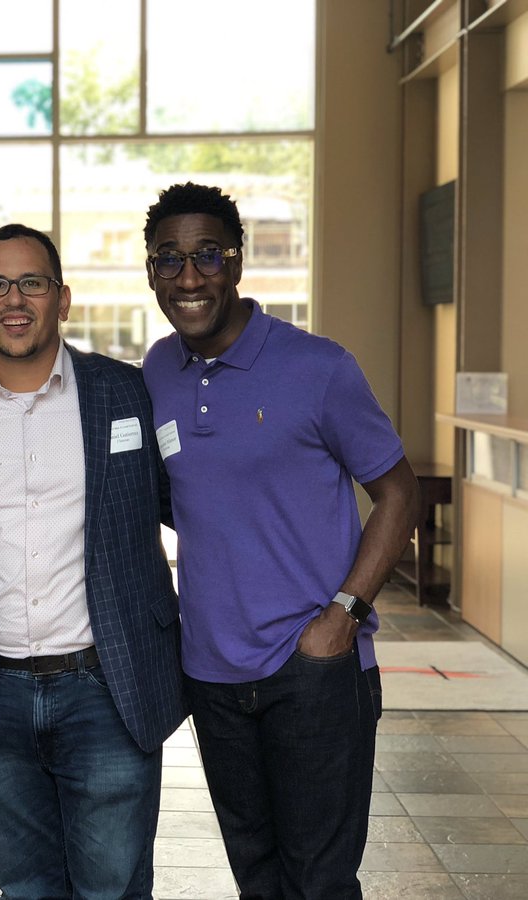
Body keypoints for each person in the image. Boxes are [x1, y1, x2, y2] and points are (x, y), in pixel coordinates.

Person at [140, 182, 421, 898]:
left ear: (237, 263)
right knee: (256, 876)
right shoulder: (156, 374)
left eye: (207, 255)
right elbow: (192, 501)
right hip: (210, 670)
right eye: (169, 260)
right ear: (151, 273)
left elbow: (399, 493)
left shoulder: (317, 367)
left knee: (319, 881)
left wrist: (342, 617)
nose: (190, 276)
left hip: (315, 671)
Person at [0, 224, 185, 899]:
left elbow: (201, 507)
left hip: (107, 690)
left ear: (61, 299)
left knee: (114, 889)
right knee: (27, 889)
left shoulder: (129, 394)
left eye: (31, 282)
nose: (14, 299)